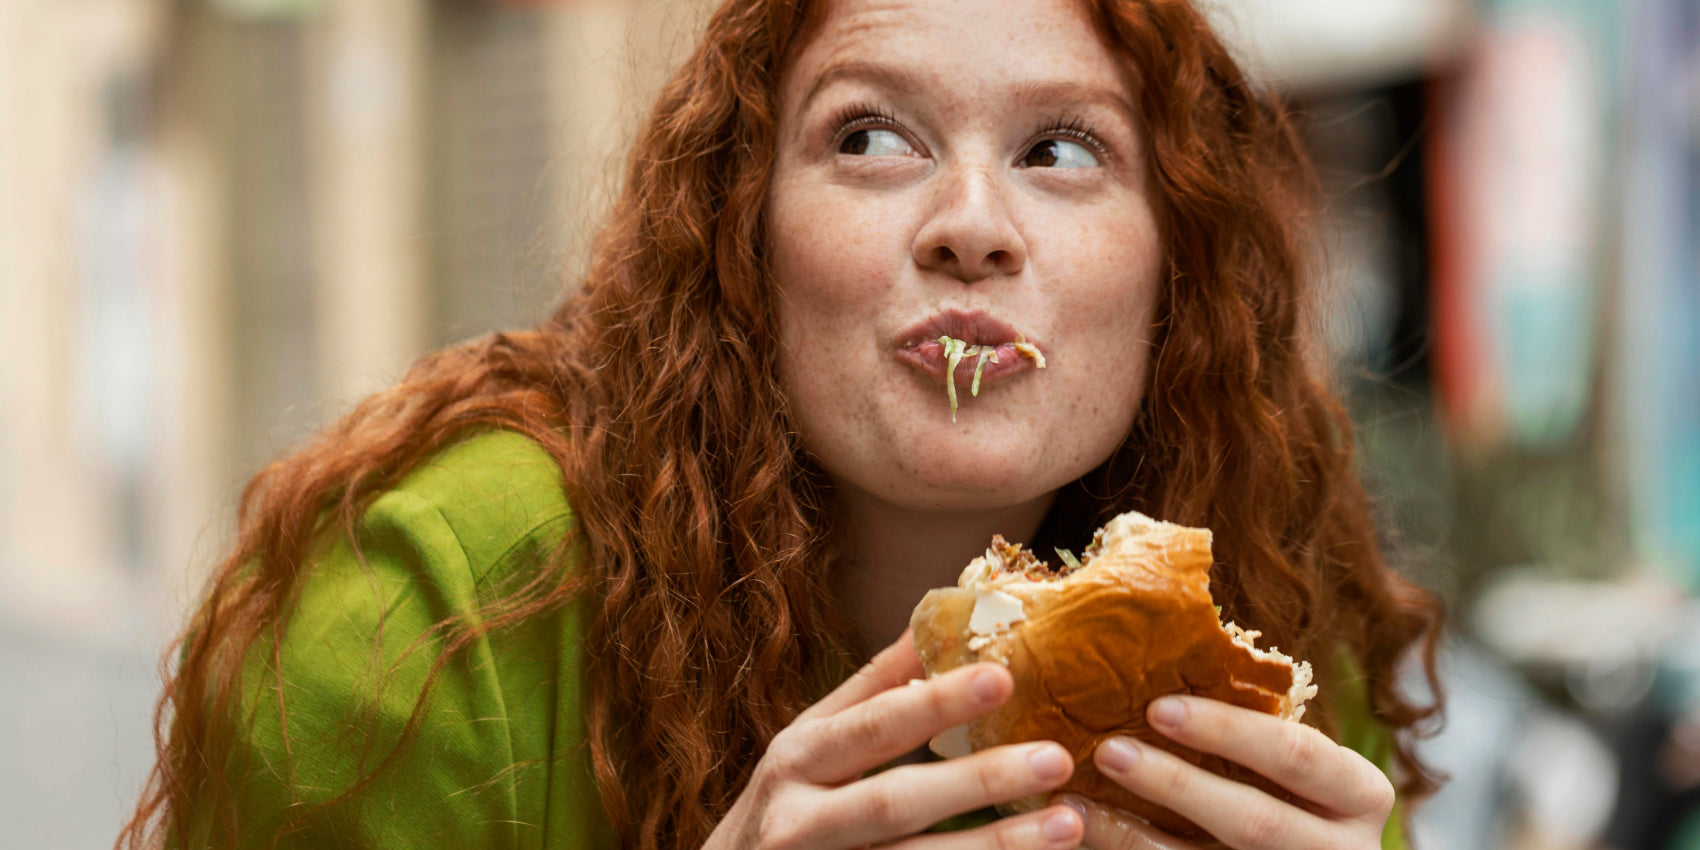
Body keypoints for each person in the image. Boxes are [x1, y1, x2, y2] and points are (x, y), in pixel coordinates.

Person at [119, 0, 1443, 848]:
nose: (972, 224)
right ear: (741, 236)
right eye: (870, 136)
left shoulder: (1264, 602)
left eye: (1061, 149)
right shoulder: (434, 617)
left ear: (1179, 271)